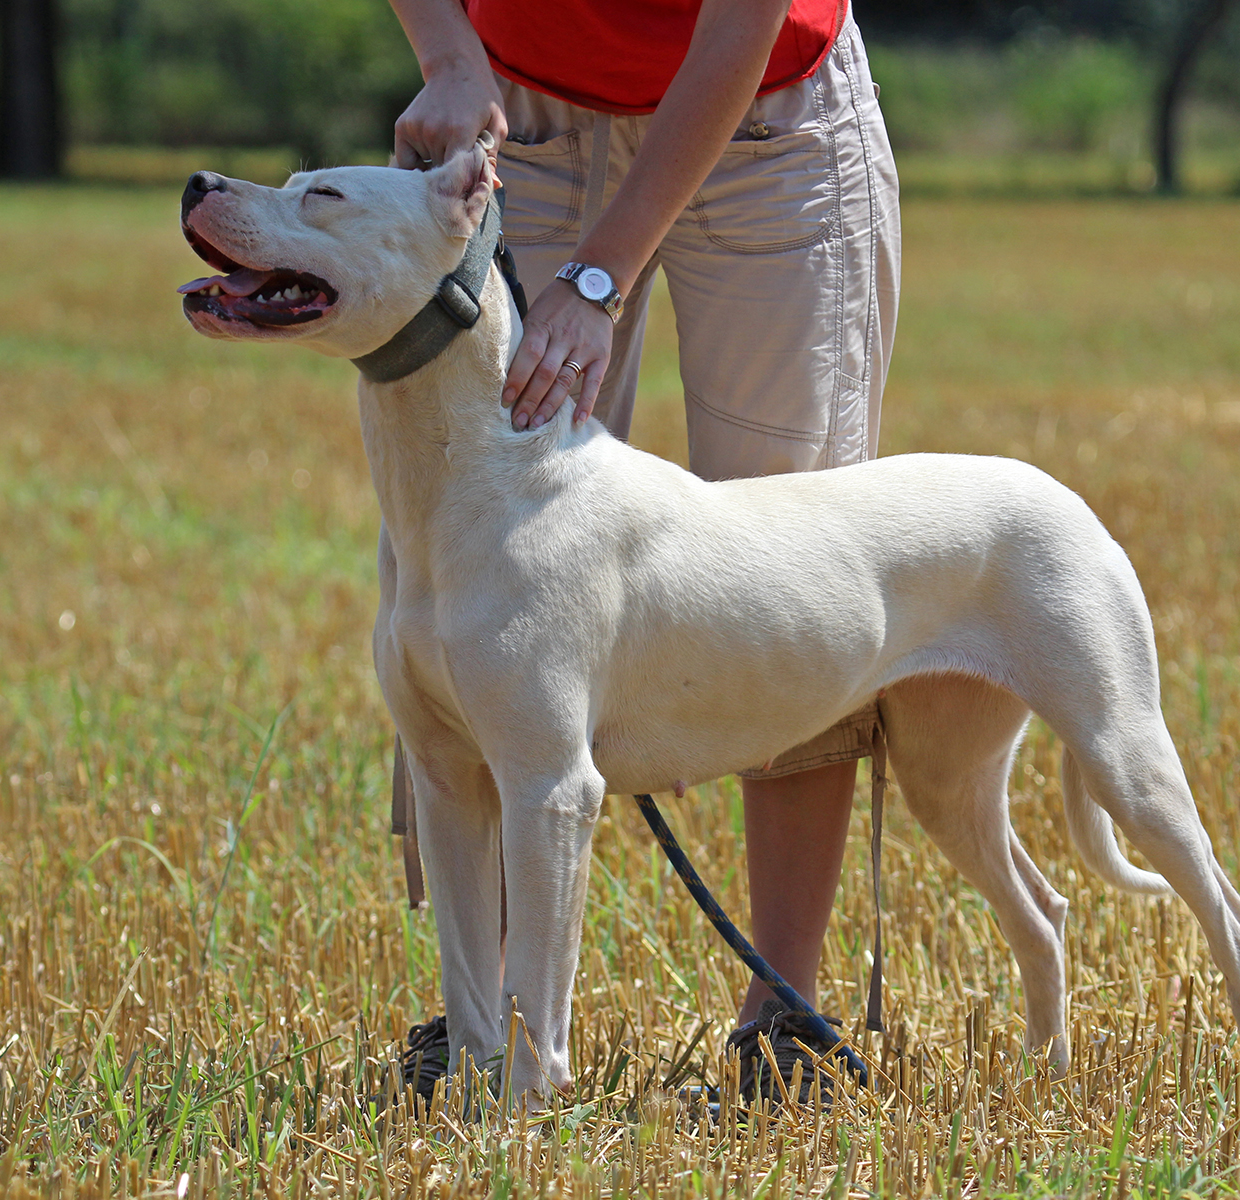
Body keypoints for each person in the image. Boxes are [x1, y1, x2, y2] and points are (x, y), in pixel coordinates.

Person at [386, 0, 900, 1102]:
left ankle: (784, 1017)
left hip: (766, 108)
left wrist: (598, 277)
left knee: (792, 550)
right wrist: (446, 56)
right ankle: (483, 1023)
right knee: (479, 542)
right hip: (515, 111)